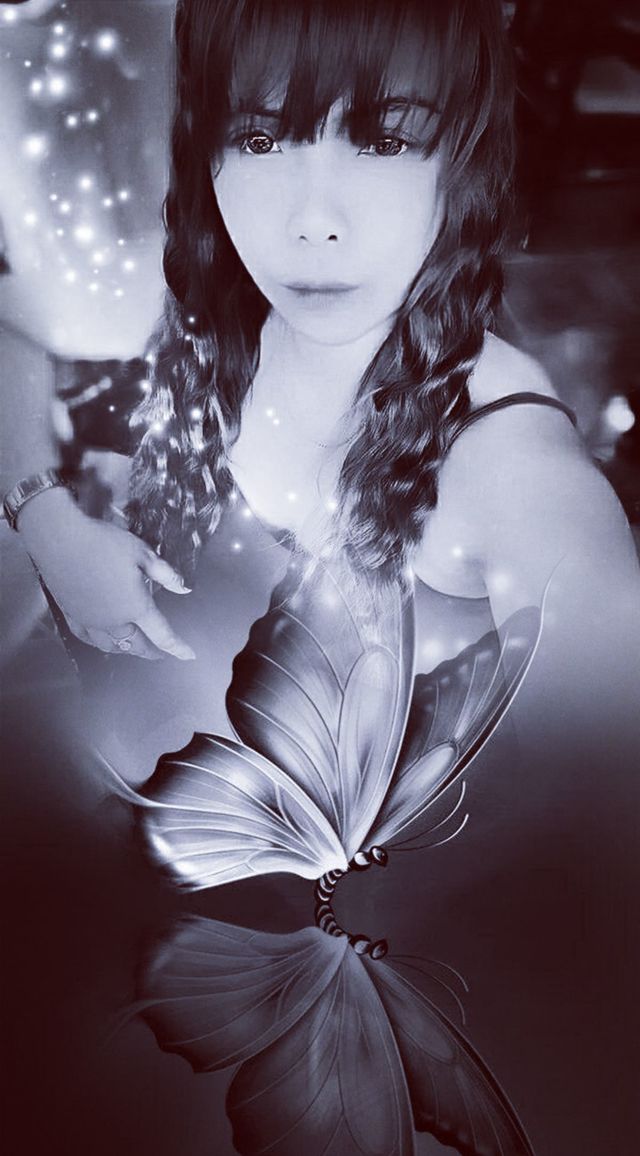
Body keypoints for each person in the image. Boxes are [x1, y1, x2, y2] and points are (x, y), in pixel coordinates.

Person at [4, 0, 639, 714]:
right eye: (259, 139)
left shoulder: (525, 487)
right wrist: (49, 524)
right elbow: (12, 326)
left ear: (465, 154)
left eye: (386, 141)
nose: (313, 222)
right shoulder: (204, 294)